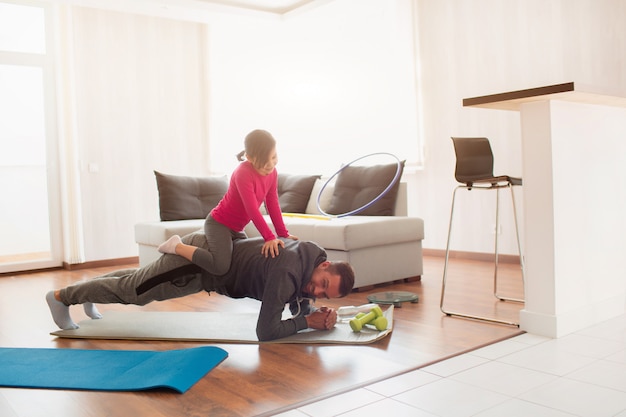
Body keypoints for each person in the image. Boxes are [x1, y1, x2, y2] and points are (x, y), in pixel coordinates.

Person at [46, 234, 355, 341]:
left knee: (140, 279)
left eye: (325, 295)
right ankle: (62, 297)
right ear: (325, 266)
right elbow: (267, 332)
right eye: (322, 284)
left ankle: (87, 291)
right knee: (133, 292)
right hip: (197, 265)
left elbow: (299, 296)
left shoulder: (308, 259)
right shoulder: (288, 269)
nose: (316, 291)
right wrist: (307, 322)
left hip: (208, 266)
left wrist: (313, 311)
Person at [157, 129, 297, 276]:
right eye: (264, 162)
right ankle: (176, 246)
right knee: (220, 267)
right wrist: (269, 237)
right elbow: (252, 210)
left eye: (274, 157)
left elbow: (272, 203)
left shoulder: (272, 172)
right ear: (249, 158)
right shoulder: (243, 172)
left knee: (242, 260)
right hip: (219, 224)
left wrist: (283, 234)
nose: (270, 164)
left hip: (237, 229)